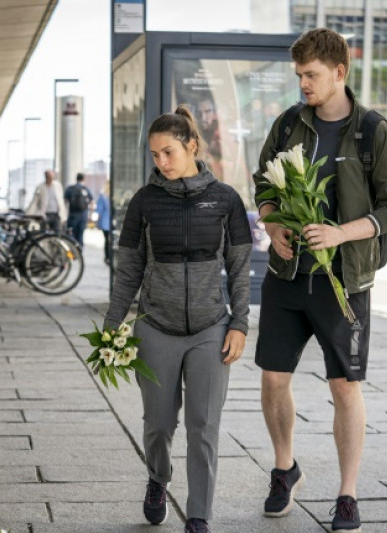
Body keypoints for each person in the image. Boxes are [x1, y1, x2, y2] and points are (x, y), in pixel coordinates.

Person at [251, 28, 387, 532]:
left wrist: (342, 233)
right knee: (274, 378)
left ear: (339, 73)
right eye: (299, 75)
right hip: (287, 274)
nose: (303, 84)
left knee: (344, 387)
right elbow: (262, 183)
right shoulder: (286, 125)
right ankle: (285, 468)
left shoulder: (373, 131)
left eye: (311, 75)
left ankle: (348, 493)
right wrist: (274, 225)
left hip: (346, 280)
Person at [105, 105, 252, 533]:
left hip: (211, 329)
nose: (161, 162)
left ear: (191, 146)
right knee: (158, 424)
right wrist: (113, 325)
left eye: (168, 152)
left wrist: (239, 324)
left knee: (204, 426)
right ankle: (158, 478)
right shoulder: (144, 201)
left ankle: (200, 516)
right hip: (156, 328)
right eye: (155, 155)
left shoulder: (225, 199)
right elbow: (129, 268)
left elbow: (240, 268)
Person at [64, 172, 93, 247]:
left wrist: (64, 215)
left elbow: (65, 202)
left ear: (76, 179)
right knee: (80, 235)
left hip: (73, 215)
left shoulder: (70, 189)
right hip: (83, 215)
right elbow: (92, 202)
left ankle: (72, 253)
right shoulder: (86, 189)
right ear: (83, 179)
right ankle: (79, 252)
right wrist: (90, 215)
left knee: (71, 234)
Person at [95, 181, 112, 264]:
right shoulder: (114, 194)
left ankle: (107, 257)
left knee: (106, 240)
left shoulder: (103, 196)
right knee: (112, 240)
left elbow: (99, 210)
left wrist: (97, 222)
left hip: (105, 221)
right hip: (112, 221)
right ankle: (111, 256)